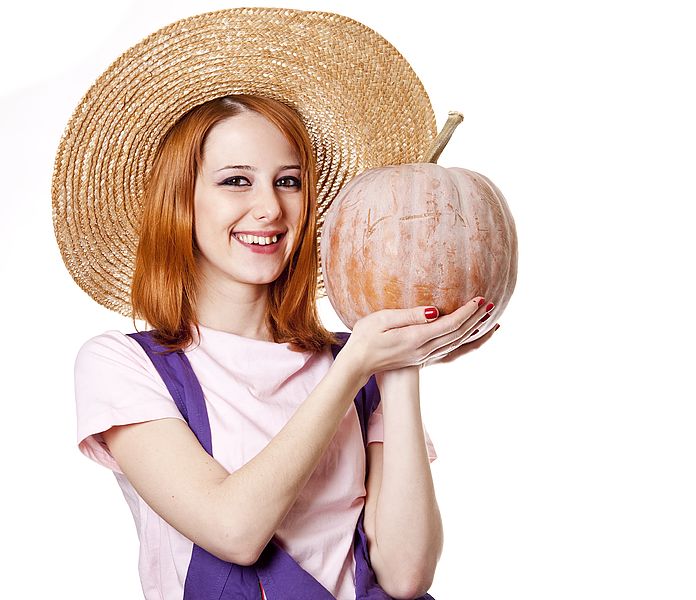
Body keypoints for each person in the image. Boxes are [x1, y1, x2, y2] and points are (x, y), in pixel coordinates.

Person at [54, 9, 500, 600]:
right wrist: (354, 369)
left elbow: (406, 575)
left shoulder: (357, 360)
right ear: (180, 203)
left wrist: (397, 368)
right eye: (236, 181)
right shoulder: (124, 366)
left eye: (289, 181)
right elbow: (233, 530)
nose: (270, 208)